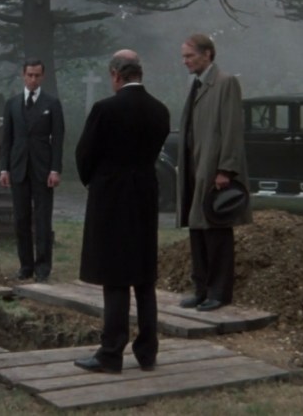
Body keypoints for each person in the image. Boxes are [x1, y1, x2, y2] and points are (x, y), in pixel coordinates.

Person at [73, 49, 170, 374]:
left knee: (114, 275)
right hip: (145, 194)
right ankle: (147, 351)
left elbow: (85, 154)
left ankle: (111, 353)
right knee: (143, 274)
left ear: (116, 75)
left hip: (112, 196)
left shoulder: (105, 109)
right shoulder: (160, 110)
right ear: (140, 75)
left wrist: (97, 180)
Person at [177, 33, 252, 312]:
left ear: (207, 54)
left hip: (213, 170)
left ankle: (219, 293)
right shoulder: (196, 84)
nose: (185, 61)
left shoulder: (225, 83)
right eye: (184, 56)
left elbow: (232, 129)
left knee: (216, 230)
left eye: (189, 55)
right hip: (196, 168)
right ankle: (201, 289)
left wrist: (226, 169)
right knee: (197, 229)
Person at [0, 59, 65, 283]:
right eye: (30, 75)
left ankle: (43, 267)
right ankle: (25, 266)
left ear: (42, 76)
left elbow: (58, 139)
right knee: (21, 218)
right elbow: (7, 139)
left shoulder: (52, 103)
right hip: (18, 168)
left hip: (43, 169)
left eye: (37, 75)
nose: (33, 79)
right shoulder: (12, 104)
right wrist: (4, 168)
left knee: (43, 219)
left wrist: (55, 169)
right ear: (23, 75)